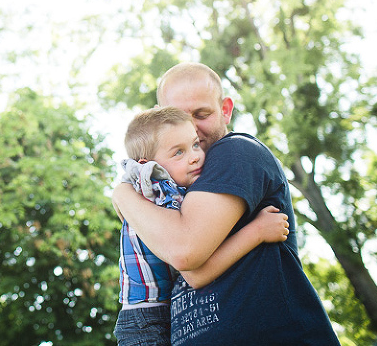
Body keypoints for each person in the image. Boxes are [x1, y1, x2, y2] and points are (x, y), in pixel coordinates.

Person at [112, 62, 341, 346]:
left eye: (202, 114)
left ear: (226, 110)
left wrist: (122, 195)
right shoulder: (172, 185)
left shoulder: (235, 151)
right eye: (178, 117)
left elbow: (185, 252)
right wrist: (123, 193)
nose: (191, 128)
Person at [114, 106, 290, 346]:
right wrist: (257, 231)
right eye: (179, 152)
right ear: (149, 165)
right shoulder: (162, 191)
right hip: (146, 321)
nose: (195, 156)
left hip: (153, 315)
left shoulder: (141, 191)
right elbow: (194, 272)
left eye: (195, 145)